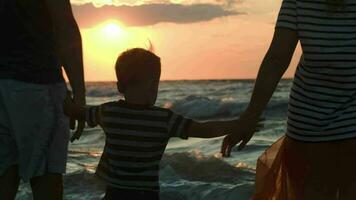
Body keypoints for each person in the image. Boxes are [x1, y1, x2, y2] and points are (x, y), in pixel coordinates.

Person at [64, 48, 252, 200]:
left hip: (115, 193)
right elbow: (203, 129)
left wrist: (60, 96)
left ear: (120, 86)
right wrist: (237, 124)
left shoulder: (109, 112)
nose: (154, 90)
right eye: (153, 85)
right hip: (147, 194)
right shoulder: (164, 119)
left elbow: (77, 111)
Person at [221, 0, 356, 199]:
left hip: (310, 117)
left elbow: (277, 58)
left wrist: (250, 117)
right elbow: (277, 59)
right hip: (314, 121)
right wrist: (249, 117)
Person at [0, 0, 85, 199]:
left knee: (4, 176)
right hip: (35, 82)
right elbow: (64, 26)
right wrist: (79, 96)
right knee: (46, 181)